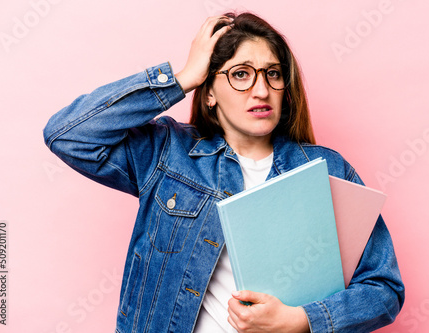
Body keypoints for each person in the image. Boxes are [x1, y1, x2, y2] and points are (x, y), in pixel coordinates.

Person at [43, 12, 404, 333]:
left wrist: (301, 320)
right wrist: (182, 78)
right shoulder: (168, 153)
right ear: (210, 91)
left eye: (273, 74)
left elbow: (384, 290)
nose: (261, 90)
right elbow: (68, 135)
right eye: (241, 74)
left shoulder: (327, 170)